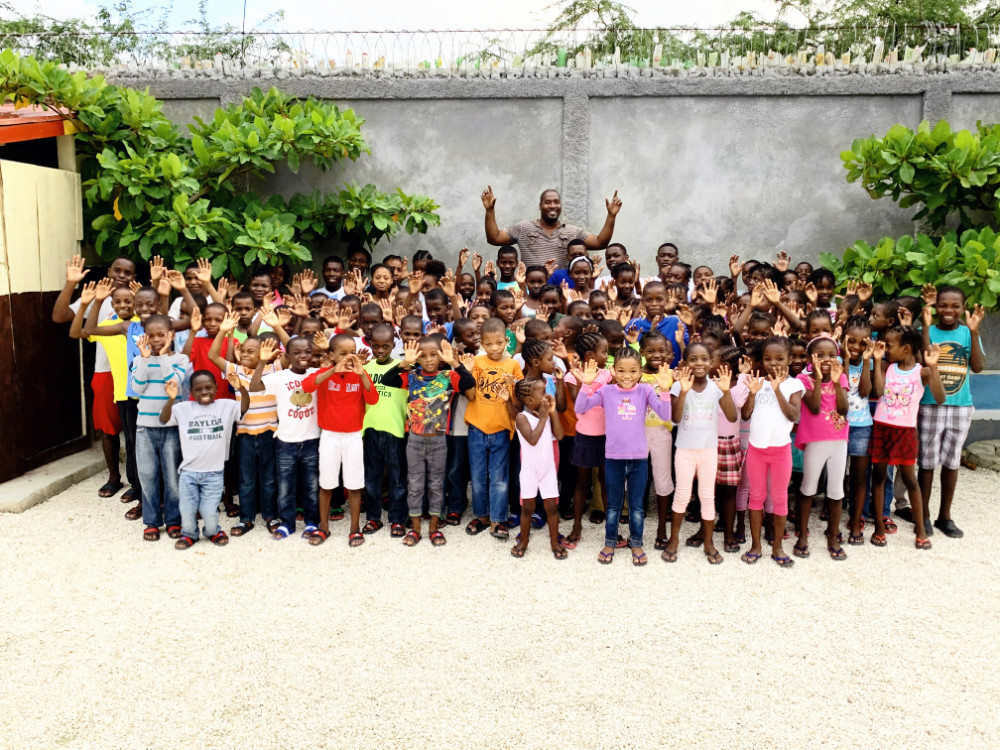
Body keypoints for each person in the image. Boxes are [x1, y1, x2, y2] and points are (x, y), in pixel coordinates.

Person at [573, 349, 674, 566]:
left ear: (640, 372)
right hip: (613, 458)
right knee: (614, 505)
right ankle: (610, 541)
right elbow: (580, 408)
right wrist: (587, 384)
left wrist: (665, 390)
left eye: (632, 371)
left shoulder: (645, 390)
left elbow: (665, 415)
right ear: (613, 371)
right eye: (621, 370)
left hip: (638, 458)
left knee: (636, 505)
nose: (626, 375)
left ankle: (636, 542)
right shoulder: (606, 392)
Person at [53, 254, 137, 501]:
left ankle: (138, 482)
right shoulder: (96, 297)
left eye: (128, 273)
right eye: (117, 270)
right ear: (109, 271)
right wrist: (71, 284)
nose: (121, 276)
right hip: (105, 371)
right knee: (109, 428)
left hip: (134, 373)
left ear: (134, 277)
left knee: (134, 431)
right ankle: (113, 477)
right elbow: (60, 318)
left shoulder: (137, 299)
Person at [382, 338, 476, 546]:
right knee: (414, 484)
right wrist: (405, 363)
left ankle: (433, 527)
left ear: (440, 355)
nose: (429, 360)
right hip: (415, 441)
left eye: (433, 354)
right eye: (423, 356)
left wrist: (454, 363)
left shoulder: (448, 377)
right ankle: (415, 529)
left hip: (438, 441)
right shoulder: (412, 376)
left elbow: (470, 384)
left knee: (436, 484)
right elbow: (387, 380)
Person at [918, 286, 985, 538]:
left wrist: (975, 330)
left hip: (960, 406)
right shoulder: (927, 331)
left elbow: (977, 367)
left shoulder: (968, 333)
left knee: (951, 461)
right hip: (930, 405)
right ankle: (922, 514)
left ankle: (944, 516)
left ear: (962, 307)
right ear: (935, 307)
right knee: (926, 462)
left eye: (955, 306)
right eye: (943, 305)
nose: (948, 310)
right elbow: (924, 360)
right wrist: (924, 328)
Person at [870, 327, 945, 550]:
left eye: (889, 346)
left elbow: (940, 397)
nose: (886, 350)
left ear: (906, 348)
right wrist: (876, 362)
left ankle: (921, 530)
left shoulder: (922, 372)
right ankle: (879, 529)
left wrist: (933, 367)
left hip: (905, 432)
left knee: (910, 479)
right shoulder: (888, 367)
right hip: (882, 428)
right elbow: (879, 390)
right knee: (879, 477)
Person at [208, 313, 282, 536]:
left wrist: (277, 327)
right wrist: (223, 330)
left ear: (264, 353)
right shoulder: (236, 370)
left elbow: (292, 350)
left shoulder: (274, 369)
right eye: (243, 351)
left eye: (252, 351)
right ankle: (246, 518)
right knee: (246, 479)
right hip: (245, 435)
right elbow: (213, 355)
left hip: (270, 433)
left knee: (269, 478)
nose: (245, 354)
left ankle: (270, 516)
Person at [301, 335, 380, 546]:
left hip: (353, 436)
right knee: (326, 483)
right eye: (342, 354)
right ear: (331, 356)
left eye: (351, 353)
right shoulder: (325, 374)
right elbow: (307, 385)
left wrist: (362, 374)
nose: (348, 358)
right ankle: (323, 527)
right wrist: (332, 371)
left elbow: (373, 399)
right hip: (329, 435)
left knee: (354, 485)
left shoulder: (359, 374)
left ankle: (354, 528)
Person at [663, 344, 737, 565]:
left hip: (708, 451)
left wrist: (725, 391)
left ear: (711, 363)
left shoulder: (716, 387)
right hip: (685, 450)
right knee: (682, 495)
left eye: (704, 359)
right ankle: (674, 540)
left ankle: (708, 541)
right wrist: (683, 391)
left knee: (707, 496)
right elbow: (675, 419)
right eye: (693, 359)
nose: (699, 363)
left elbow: (732, 417)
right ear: (685, 363)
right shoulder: (678, 386)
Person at [160, 370, 249, 549]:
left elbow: (244, 407)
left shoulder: (227, 406)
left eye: (208, 387)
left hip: (214, 473)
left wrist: (241, 389)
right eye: (198, 389)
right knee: (187, 509)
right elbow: (164, 419)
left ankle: (212, 531)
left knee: (209, 511)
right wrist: (171, 399)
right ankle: (189, 534)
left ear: (216, 388)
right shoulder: (182, 408)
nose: (204, 392)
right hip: (188, 473)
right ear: (191, 392)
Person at [739, 337, 804, 567]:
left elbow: (794, 416)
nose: (773, 363)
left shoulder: (794, 385)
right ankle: (756, 545)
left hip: (780, 452)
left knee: (779, 499)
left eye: (779, 358)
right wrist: (753, 393)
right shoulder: (757, 383)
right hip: (756, 450)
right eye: (767, 358)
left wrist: (777, 391)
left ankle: (777, 547)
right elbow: (746, 415)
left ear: (789, 359)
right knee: (755, 498)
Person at [251, 337, 320, 540]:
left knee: (311, 486)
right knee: (285, 487)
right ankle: (287, 523)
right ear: (287, 357)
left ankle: (311, 522)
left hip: (311, 440)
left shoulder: (316, 374)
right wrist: (262, 362)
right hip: (285, 443)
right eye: (296, 353)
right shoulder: (279, 377)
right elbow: (254, 387)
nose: (303, 356)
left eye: (307, 351)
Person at [130, 316, 190, 541]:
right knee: (147, 475)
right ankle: (152, 521)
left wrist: (163, 356)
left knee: (172, 476)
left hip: (170, 427)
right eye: (151, 335)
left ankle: (173, 520)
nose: (156, 340)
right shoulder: (139, 361)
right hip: (145, 428)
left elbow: (172, 383)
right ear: (144, 336)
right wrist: (145, 360)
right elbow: (137, 388)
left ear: (171, 335)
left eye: (161, 335)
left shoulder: (180, 359)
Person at [464, 318, 522, 539]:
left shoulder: (513, 366)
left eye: (499, 343)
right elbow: (470, 395)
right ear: (482, 344)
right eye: (489, 344)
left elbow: (518, 404)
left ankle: (498, 520)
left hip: (501, 430)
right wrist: (467, 372)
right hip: (477, 429)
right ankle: (482, 516)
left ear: (507, 341)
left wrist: (514, 385)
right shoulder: (477, 363)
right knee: (478, 477)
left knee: (499, 477)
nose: (495, 348)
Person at [794, 335, 849, 561]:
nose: (827, 359)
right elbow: (815, 407)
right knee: (808, 487)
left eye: (832, 355)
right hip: (815, 441)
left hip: (838, 440)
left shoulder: (841, 378)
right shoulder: (802, 379)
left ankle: (833, 535)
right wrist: (817, 378)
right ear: (810, 358)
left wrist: (836, 383)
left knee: (836, 490)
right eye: (820, 355)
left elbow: (844, 410)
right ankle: (802, 534)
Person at [481, 186, 622, 268]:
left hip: (560, 293)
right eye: (548, 202)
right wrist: (489, 211)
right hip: (530, 292)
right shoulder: (523, 228)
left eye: (556, 202)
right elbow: (495, 238)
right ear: (540, 206)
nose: (552, 205)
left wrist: (611, 216)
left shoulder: (572, 231)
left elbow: (600, 242)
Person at [360, 323, 409, 537]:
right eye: (376, 346)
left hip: (396, 431)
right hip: (370, 429)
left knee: (397, 478)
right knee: (372, 478)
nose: (380, 351)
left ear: (393, 344)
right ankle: (373, 518)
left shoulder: (403, 366)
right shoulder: (365, 368)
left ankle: (397, 519)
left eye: (385, 346)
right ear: (370, 344)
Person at [510, 378, 566, 559]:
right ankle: (524, 540)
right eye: (542, 392)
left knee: (551, 508)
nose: (546, 395)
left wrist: (552, 413)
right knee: (527, 508)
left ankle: (554, 542)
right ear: (528, 399)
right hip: (529, 470)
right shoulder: (521, 418)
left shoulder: (546, 414)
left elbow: (559, 435)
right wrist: (543, 418)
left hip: (547, 468)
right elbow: (532, 439)